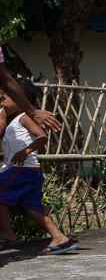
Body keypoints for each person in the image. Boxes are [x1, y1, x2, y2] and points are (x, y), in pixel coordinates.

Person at [0, 79, 78, 254]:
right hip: (29, 172)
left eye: (6, 98)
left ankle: (8, 234)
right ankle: (59, 238)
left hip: (22, 170)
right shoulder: (13, 120)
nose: (2, 100)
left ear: (21, 99)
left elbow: (42, 136)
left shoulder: (24, 117)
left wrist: (25, 151)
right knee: (32, 206)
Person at [0, 45, 61, 133]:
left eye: (4, 97)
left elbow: (6, 81)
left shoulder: (23, 119)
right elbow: (6, 80)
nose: (2, 101)